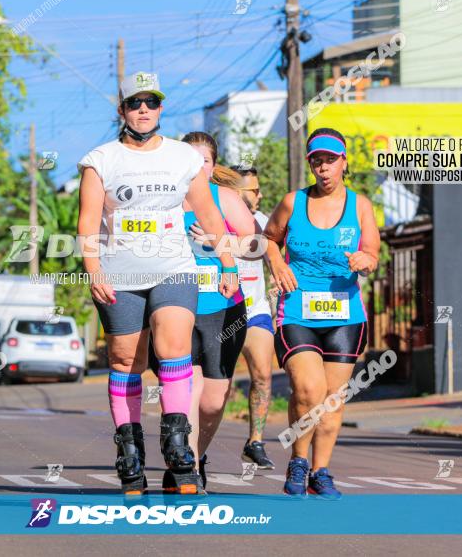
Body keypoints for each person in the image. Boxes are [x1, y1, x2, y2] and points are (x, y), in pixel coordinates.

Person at [77, 73, 239, 495]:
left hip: (174, 267)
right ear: (122, 110)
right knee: (125, 360)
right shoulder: (101, 159)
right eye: (135, 103)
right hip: (121, 273)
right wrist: (93, 268)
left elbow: (207, 212)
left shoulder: (183, 157)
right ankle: (129, 452)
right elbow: (88, 221)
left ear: (161, 108)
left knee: (173, 350)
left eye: (151, 102)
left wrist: (226, 261)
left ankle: (178, 447)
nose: (144, 109)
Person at [264, 128, 380, 500]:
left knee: (333, 397)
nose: (324, 167)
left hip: (345, 315)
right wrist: (278, 264)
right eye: (317, 160)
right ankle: (298, 461)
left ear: (344, 162)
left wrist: (365, 260)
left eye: (331, 159)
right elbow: (268, 239)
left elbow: (373, 252)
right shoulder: (292, 202)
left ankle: (321, 470)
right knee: (308, 389)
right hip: (298, 309)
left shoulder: (360, 205)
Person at [149, 133, 259, 491]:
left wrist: (219, 243)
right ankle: (186, 466)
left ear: (213, 166)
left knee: (213, 401)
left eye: (205, 161)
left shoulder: (224, 198)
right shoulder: (163, 199)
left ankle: (196, 456)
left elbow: (256, 244)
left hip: (224, 308)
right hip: (176, 306)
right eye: (190, 159)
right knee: (187, 388)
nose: (197, 166)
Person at [228, 162, 276, 469]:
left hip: (256, 309)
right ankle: (198, 450)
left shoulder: (264, 221)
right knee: (217, 385)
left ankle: (255, 441)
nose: (258, 195)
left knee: (263, 374)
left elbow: (276, 255)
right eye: (253, 190)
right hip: (220, 309)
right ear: (234, 192)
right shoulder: (213, 217)